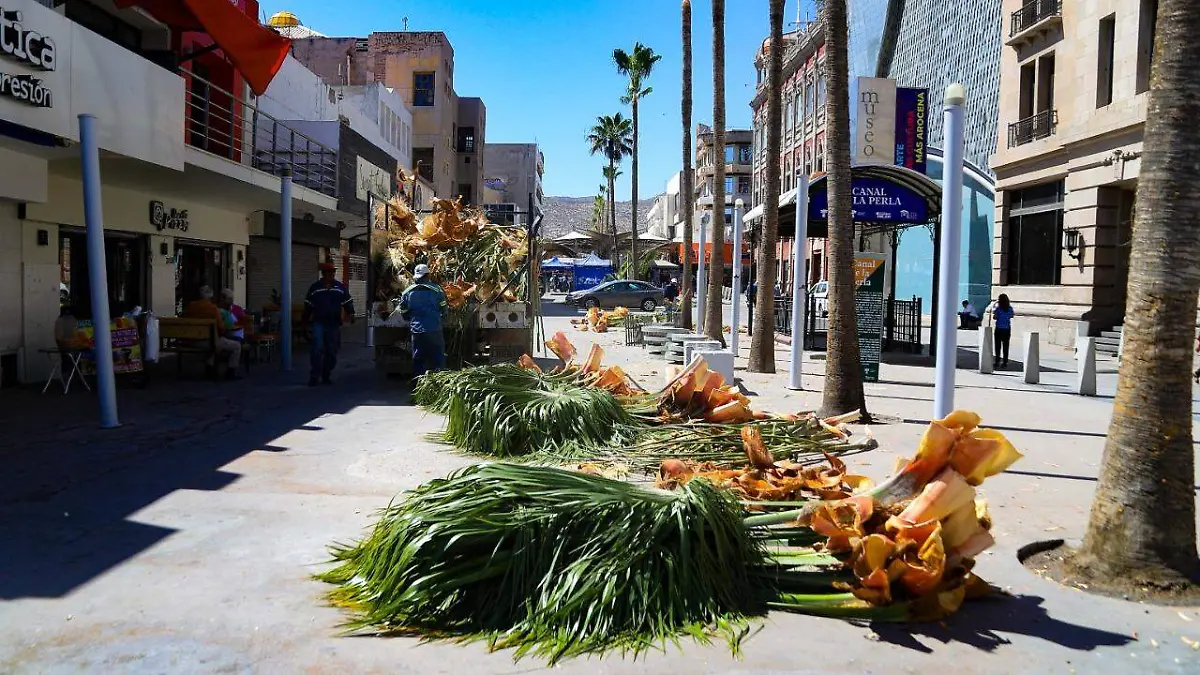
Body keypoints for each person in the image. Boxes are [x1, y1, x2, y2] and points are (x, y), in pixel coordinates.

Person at [302, 262, 355, 386]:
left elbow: (348, 301)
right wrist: (304, 323)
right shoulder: (315, 288)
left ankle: (326, 374)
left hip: (333, 324)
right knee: (317, 349)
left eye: (333, 273)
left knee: (332, 351)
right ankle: (314, 375)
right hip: (318, 323)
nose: (332, 275)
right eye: (329, 273)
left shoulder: (339, 287)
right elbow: (308, 306)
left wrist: (351, 313)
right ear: (323, 274)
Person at [400, 263, 448, 377]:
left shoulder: (407, 292)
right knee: (438, 357)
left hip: (417, 331)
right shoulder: (437, 290)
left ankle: (419, 382)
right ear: (428, 276)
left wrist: (410, 318)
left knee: (418, 358)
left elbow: (404, 312)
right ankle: (439, 380)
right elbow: (444, 308)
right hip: (434, 329)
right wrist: (442, 317)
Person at [184, 285, 241, 379]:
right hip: (209, 341)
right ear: (211, 296)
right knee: (236, 346)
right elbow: (221, 327)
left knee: (214, 344)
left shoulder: (191, 306)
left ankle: (210, 368)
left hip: (192, 340)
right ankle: (231, 372)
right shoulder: (213, 308)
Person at [991, 294, 1015, 369]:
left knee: (997, 346)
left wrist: (995, 304)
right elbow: (1011, 316)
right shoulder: (1010, 308)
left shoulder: (998, 308)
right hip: (1007, 329)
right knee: (1006, 346)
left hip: (999, 328)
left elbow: (994, 317)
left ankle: (997, 361)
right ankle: (1005, 362)